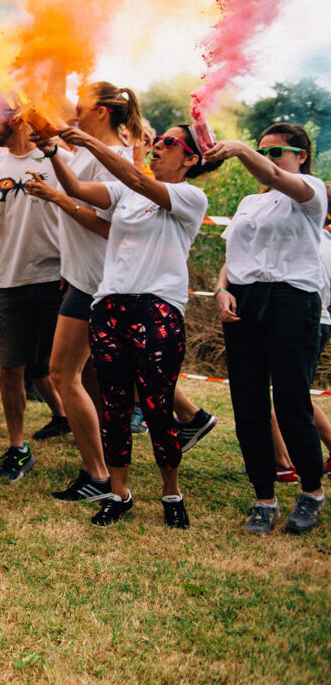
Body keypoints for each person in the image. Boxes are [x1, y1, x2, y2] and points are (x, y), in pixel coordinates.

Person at [42, 122, 218, 528]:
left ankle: (171, 492)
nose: (157, 148)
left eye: (168, 143)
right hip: (109, 303)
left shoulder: (190, 196)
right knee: (115, 404)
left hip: (157, 306)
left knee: (157, 403)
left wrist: (85, 140)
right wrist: (53, 152)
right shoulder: (125, 194)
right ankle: (119, 494)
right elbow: (79, 191)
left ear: (190, 158)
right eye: (156, 142)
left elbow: (136, 176)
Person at [20, 82, 143, 502]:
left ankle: (98, 474)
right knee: (84, 379)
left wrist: (54, 194)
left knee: (62, 375)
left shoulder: (117, 161)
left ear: (103, 113)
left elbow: (107, 226)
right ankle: (102, 465)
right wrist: (53, 150)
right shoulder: (92, 155)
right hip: (85, 280)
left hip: (98, 283)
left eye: (81, 108)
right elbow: (72, 171)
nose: (72, 113)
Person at [206, 123, 327, 534]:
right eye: (263, 151)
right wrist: (221, 289)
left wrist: (240, 148)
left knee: (292, 402)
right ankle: (264, 497)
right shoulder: (247, 203)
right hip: (245, 302)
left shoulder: (311, 192)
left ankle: (311, 490)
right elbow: (232, 256)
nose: (268, 160)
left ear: (301, 156)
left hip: (292, 301)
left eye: (276, 152)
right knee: (248, 403)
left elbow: (274, 177)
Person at [0, 103, 67, 481]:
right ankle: (17, 447)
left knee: (71, 370)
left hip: (59, 279)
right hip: (10, 282)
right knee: (10, 370)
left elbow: (85, 209)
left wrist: (75, 269)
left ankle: (97, 445)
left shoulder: (58, 159)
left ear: (17, 118)